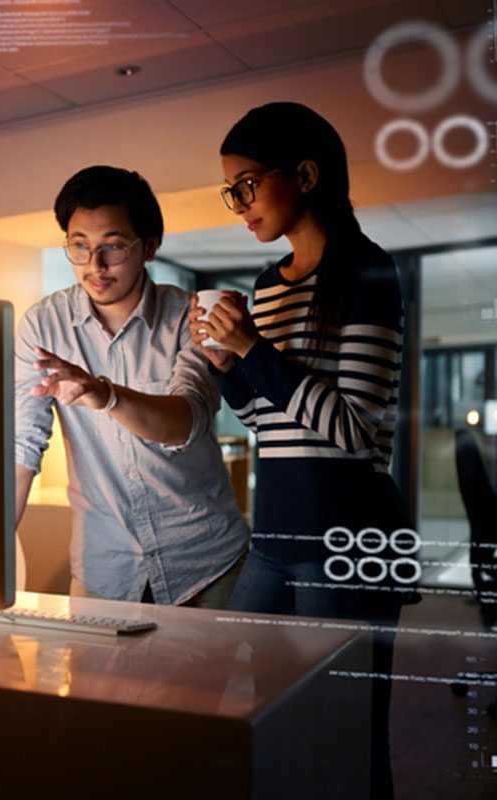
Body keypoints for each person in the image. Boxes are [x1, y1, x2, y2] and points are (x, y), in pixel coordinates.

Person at [189, 102, 412, 799]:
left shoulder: (370, 273)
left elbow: (350, 429)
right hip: (276, 532)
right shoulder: (267, 285)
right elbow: (270, 420)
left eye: (248, 185)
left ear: (306, 175)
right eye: (232, 191)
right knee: (260, 710)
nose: (239, 205)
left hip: (348, 534)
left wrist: (254, 349)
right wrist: (226, 364)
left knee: (345, 732)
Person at [15, 165, 249, 608]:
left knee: (203, 680)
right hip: (105, 565)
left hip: (205, 562)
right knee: (93, 681)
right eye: (79, 247)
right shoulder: (43, 325)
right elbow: (22, 446)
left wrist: (106, 395)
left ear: (150, 247)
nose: (94, 266)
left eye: (113, 247)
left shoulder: (188, 317)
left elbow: (187, 421)